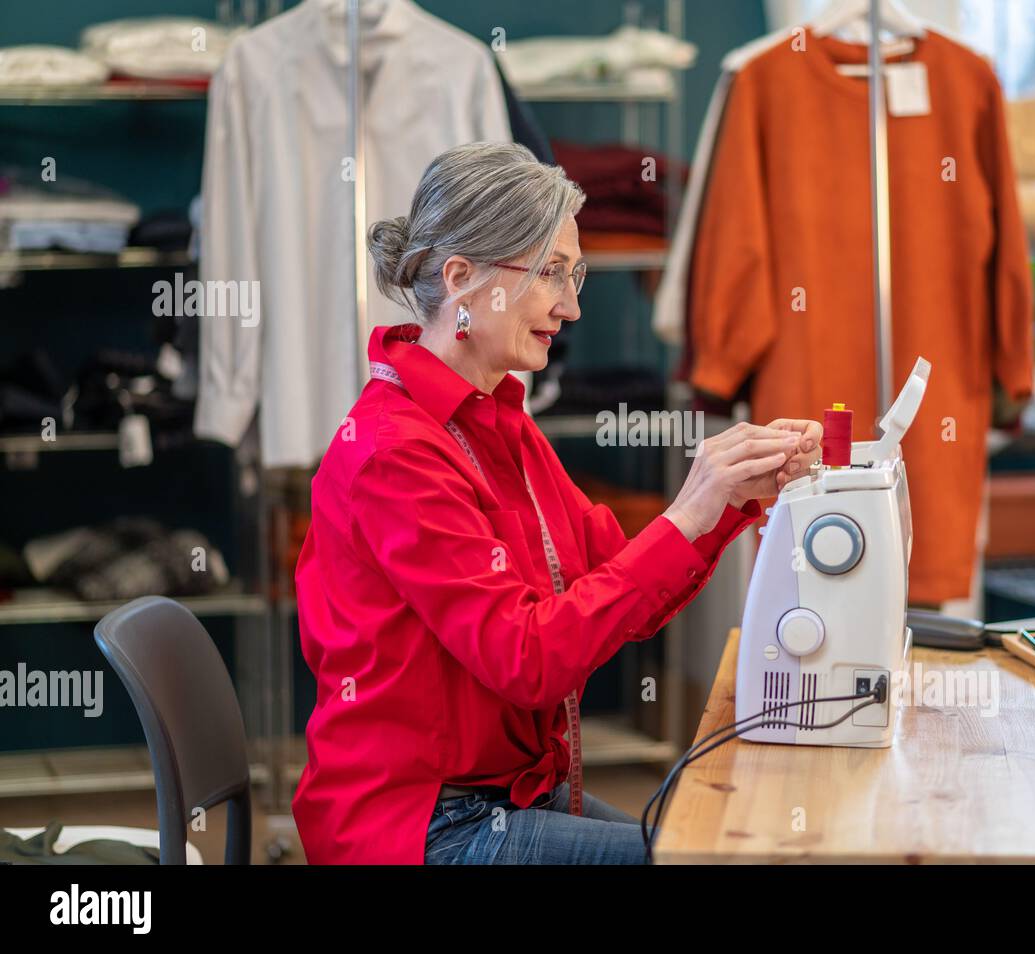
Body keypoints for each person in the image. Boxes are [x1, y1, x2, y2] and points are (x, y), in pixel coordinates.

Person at [291, 142, 822, 864]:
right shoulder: (395, 452)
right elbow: (526, 658)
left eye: (574, 277)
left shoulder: (502, 419)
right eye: (550, 273)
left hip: (502, 797)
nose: (569, 307)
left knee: (721, 845)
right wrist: (692, 510)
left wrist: (729, 497)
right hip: (422, 825)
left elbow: (621, 579)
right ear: (462, 279)